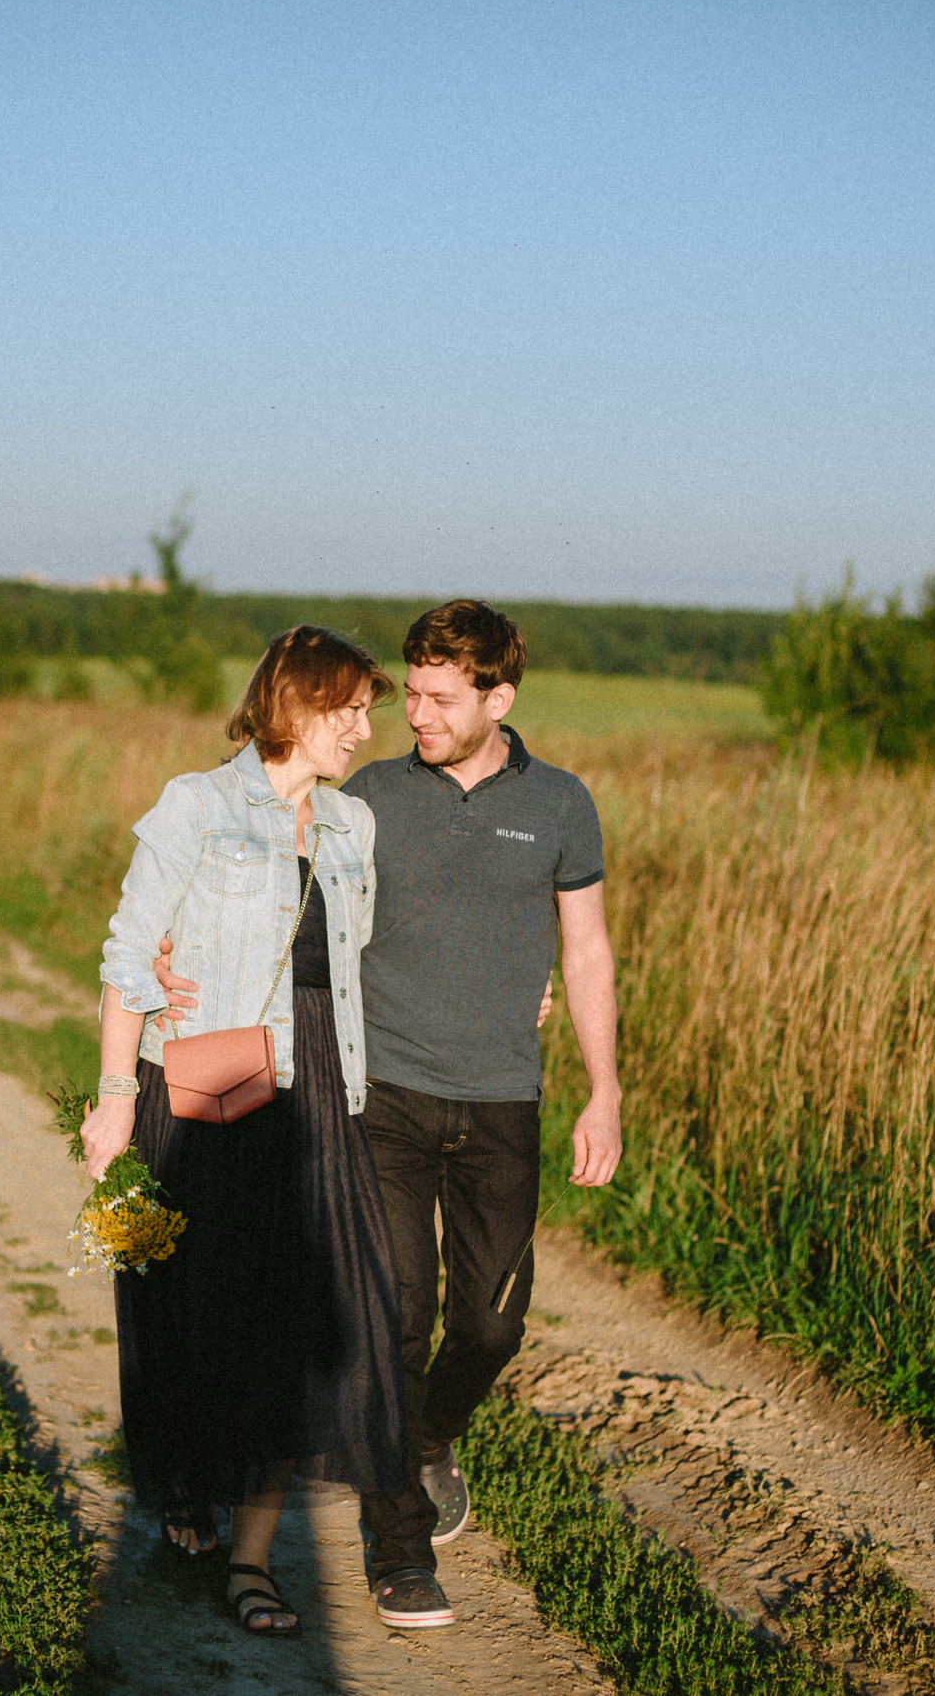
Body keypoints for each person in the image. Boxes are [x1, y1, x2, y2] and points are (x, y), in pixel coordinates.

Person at [157, 598, 623, 1631]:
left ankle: (422, 1437)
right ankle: (400, 1546)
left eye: (438, 697)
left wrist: (606, 1087)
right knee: (397, 1311)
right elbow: (280, 906)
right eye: (407, 691)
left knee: (492, 1320)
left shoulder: (560, 804)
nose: (414, 712)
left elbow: (585, 950)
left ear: (497, 697)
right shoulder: (364, 797)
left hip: (504, 1093)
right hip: (386, 1092)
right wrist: (170, 962)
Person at [80, 624, 409, 1637]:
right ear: (294, 704)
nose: (363, 726)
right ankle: (184, 1487)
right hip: (214, 1077)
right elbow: (132, 952)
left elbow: (360, 960)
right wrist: (111, 1095)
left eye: (367, 708)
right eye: (347, 706)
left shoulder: (353, 825)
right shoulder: (199, 803)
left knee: (315, 1317)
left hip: (318, 1093)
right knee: (195, 1309)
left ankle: (255, 1558)